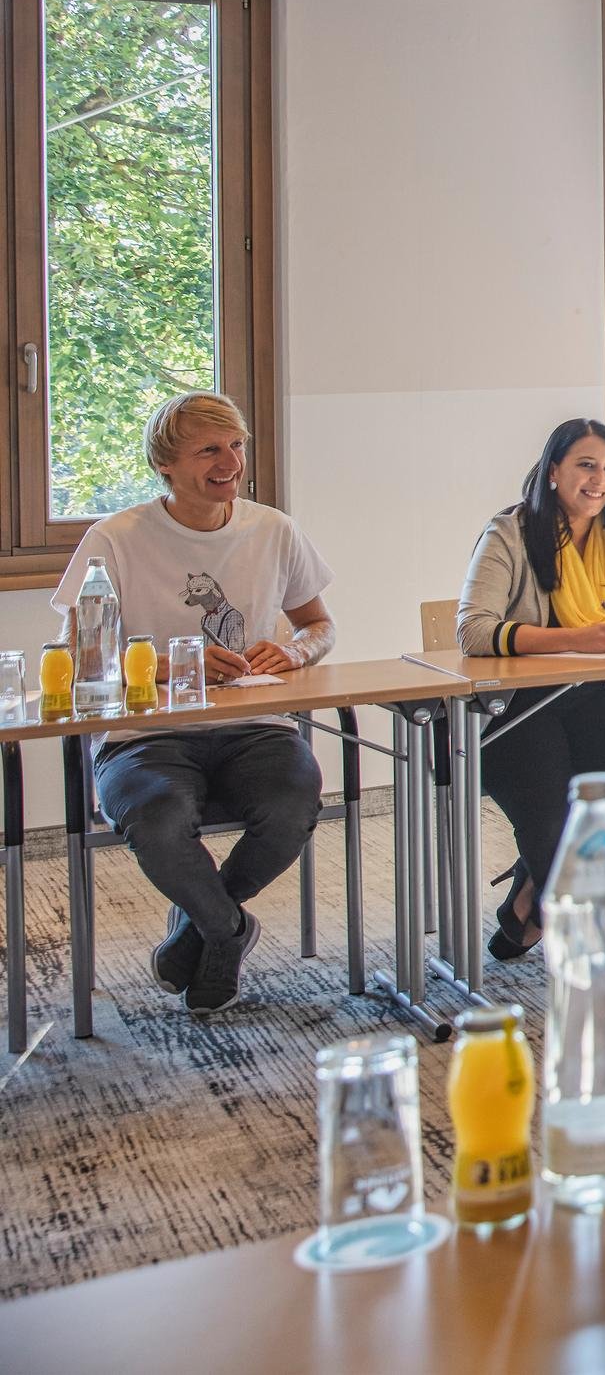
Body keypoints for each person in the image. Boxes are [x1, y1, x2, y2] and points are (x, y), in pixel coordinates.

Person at [54, 392, 336, 1013]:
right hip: (147, 735)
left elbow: (319, 625)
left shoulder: (273, 529)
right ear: (166, 465)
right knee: (156, 819)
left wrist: (295, 652)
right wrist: (167, 665)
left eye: (236, 445)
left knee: (293, 806)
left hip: (255, 727)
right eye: (208, 449)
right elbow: (73, 654)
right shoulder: (115, 537)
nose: (229, 461)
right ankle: (227, 931)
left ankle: (197, 930)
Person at [458, 418, 605, 960]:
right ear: (552, 473)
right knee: (547, 810)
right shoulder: (511, 532)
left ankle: (530, 892)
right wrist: (577, 639)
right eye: (586, 466)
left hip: (596, 693)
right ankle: (579, 934)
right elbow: (473, 630)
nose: (599, 481)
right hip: (514, 705)